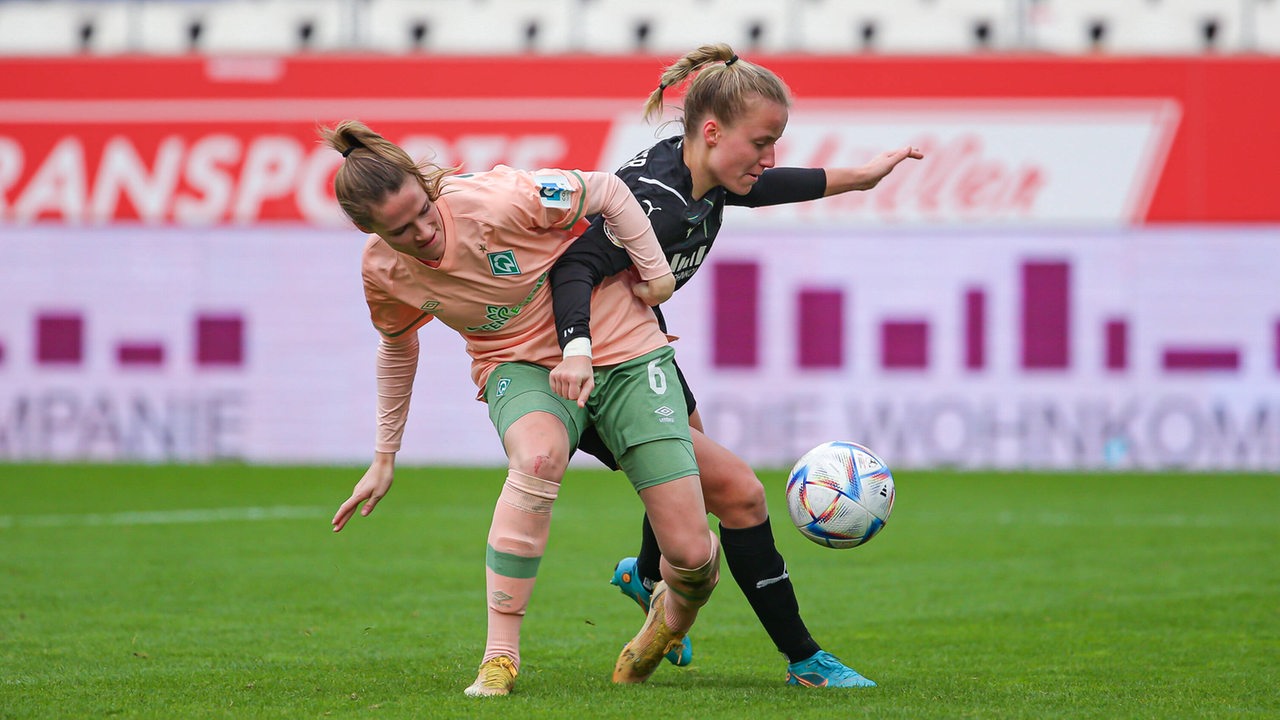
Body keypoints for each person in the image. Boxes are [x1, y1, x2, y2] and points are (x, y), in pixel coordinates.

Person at [547, 43, 923, 688]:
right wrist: (579, 351)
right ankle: (805, 659)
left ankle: (644, 572)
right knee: (742, 495)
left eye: (776, 141)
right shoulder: (655, 202)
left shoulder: (699, 171)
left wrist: (858, 178)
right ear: (713, 131)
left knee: (691, 454)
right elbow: (573, 265)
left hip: (637, 351)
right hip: (599, 376)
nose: (770, 157)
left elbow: (763, 187)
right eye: (762, 141)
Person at [322, 120, 721, 696]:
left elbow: (609, 190)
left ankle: (669, 618)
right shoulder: (382, 270)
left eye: (423, 212)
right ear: (368, 230)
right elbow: (398, 344)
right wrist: (385, 456)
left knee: (690, 552)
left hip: (623, 345)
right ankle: (499, 657)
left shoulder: (499, 197)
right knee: (535, 460)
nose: (423, 232)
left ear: (426, 186)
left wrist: (658, 278)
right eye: (401, 230)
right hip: (517, 364)